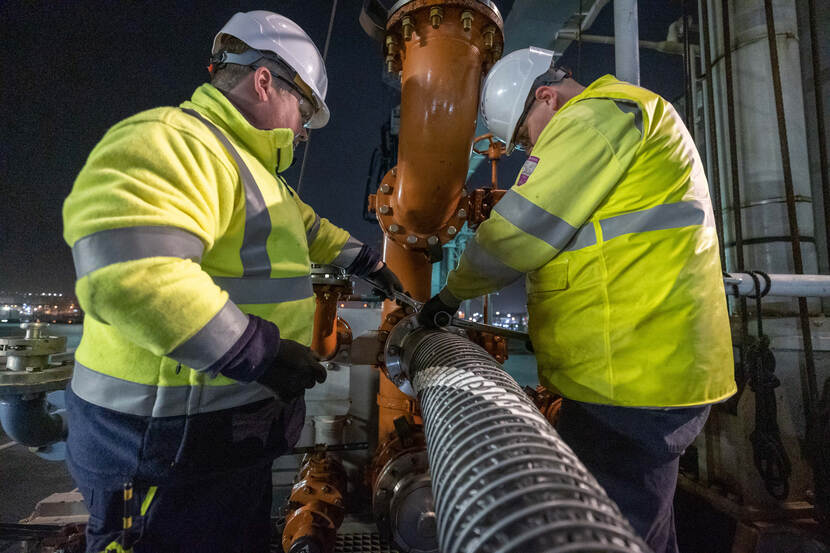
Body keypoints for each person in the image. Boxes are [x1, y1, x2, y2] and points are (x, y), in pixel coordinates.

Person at [62, 11, 401, 553]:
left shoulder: (256, 172)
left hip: (225, 444)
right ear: (265, 81)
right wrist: (257, 353)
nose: (302, 129)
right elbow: (128, 274)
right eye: (305, 109)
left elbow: (310, 229)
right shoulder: (174, 142)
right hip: (157, 453)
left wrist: (372, 264)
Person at [418, 46, 736, 553]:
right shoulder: (624, 115)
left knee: (611, 530)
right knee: (643, 525)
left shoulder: (594, 116)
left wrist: (449, 296)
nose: (528, 151)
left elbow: (519, 232)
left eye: (524, 138)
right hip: (640, 365)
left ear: (546, 98)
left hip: (633, 375)